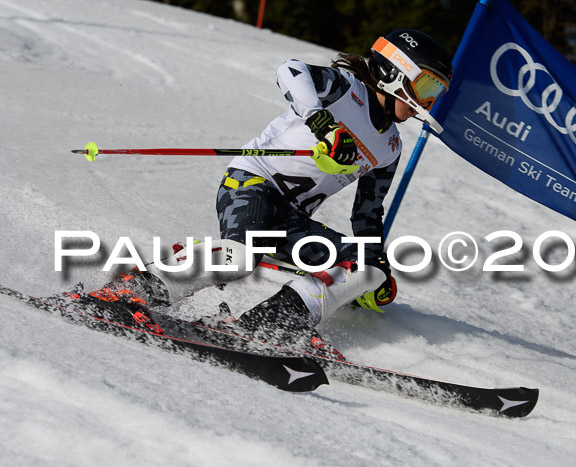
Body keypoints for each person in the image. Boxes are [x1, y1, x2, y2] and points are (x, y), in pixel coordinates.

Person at [89, 29, 452, 359]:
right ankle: (134, 289)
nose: (430, 101)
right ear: (394, 73)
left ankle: (273, 323)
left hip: (291, 219)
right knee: (241, 257)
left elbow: (368, 212)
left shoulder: (390, 145)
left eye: (436, 92)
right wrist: (322, 124)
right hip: (252, 185)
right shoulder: (345, 89)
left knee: (367, 268)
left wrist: (378, 267)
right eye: (427, 87)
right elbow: (291, 70)